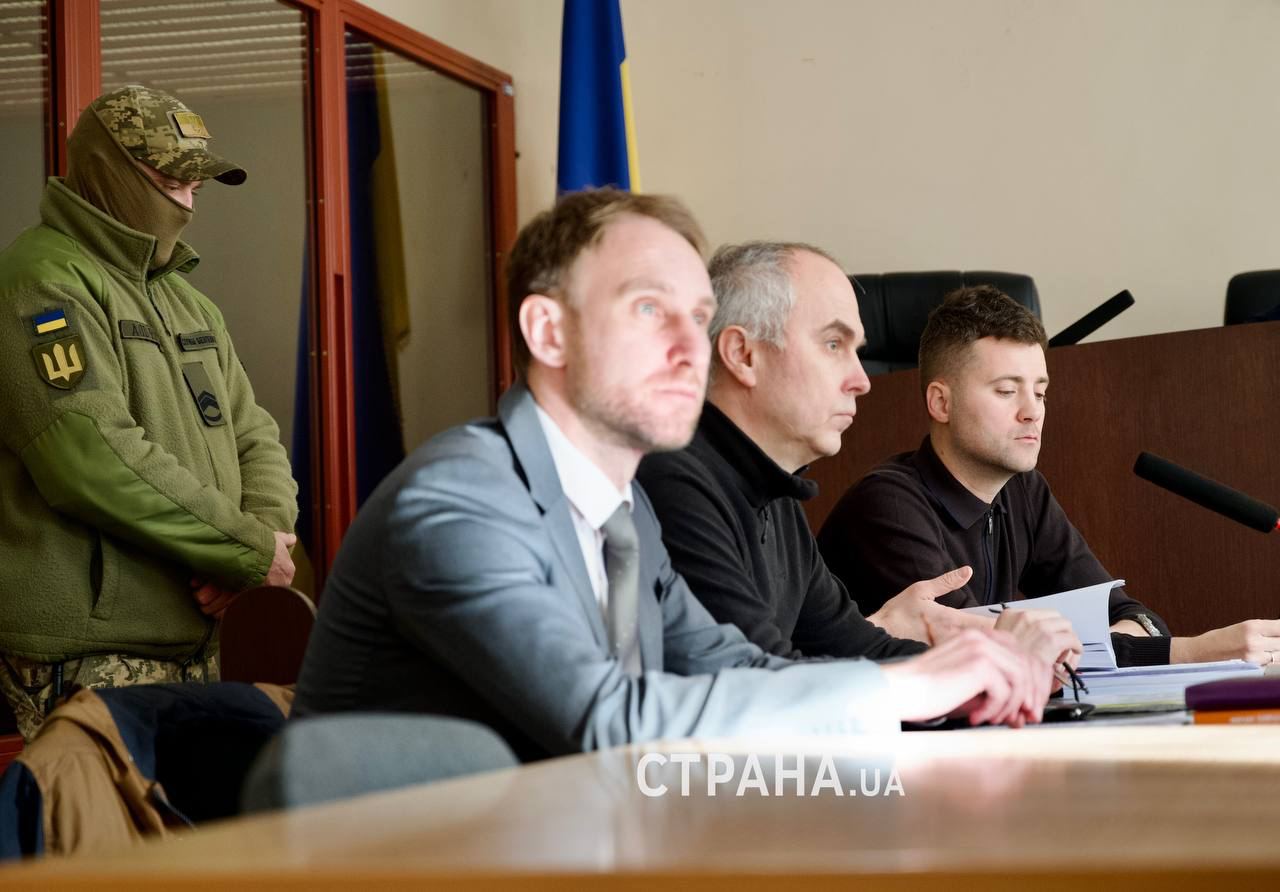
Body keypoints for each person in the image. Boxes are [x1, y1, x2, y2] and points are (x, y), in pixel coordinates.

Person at [293, 191, 1054, 762]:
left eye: (697, 317)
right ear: (548, 332)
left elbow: (737, 667)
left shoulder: (623, 512)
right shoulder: (461, 500)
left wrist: (962, 676)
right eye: (651, 311)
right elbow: (609, 721)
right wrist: (907, 687)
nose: (693, 348)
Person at [0, 85, 298, 740]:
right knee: (100, 810)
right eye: (168, 182)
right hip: (90, 654)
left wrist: (258, 541)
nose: (186, 204)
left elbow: (255, 434)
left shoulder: (189, 302)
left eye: (196, 186)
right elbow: (90, 455)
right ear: (107, 172)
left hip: (197, 644)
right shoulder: (44, 281)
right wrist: (243, 549)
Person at [636, 242, 1079, 670]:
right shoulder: (675, 481)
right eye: (834, 344)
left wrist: (989, 669)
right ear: (743, 354)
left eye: (858, 351)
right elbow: (764, 684)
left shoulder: (779, 497)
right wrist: (990, 665)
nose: (861, 381)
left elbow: (857, 646)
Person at [818, 285, 1280, 666]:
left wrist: (1097, 645)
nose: (1032, 412)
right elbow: (989, 653)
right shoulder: (887, 508)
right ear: (941, 402)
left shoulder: (1023, 489)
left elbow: (1130, 613)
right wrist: (1190, 652)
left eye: (1040, 392)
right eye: (1006, 391)